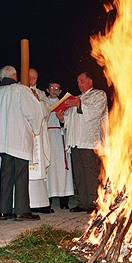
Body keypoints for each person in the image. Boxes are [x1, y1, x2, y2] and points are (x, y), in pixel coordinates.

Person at [0, 65, 44, 221]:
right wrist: (35, 129)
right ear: (15, 75)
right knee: (20, 174)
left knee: (6, 174)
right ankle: (22, 210)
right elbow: (33, 111)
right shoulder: (20, 90)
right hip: (18, 138)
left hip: (2, 140)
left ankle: (4, 210)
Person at [57, 72, 108, 213]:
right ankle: (82, 202)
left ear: (90, 81)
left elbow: (95, 113)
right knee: (79, 173)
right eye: (78, 82)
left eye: (82, 81)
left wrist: (79, 104)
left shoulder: (99, 95)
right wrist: (62, 118)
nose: (79, 84)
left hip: (89, 141)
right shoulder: (76, 98)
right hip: (76, 141)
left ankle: (94, 203)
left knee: (91, 173)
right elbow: (72, 120)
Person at [27, 68, 53, 214]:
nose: (32, 81)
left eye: (35, 78)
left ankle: (42, 203)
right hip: (26, 134)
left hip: (38, 135)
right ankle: (26, 203)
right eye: (29, 77)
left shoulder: (41, 93)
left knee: (40, 167)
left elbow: (47, 110)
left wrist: (38, 102)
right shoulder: (19, 90)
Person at [46, 81, 74, 209]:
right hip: (48, 137)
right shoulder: (43, 103)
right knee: (49, 168)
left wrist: (62, 119)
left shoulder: (65, 104)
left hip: (60, 135)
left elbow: (69, 121)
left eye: (57, 88)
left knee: (62, 168)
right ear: (47, 90)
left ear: (61, 91)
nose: (54, 90)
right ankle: (48, 199)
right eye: (52, 88)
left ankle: (64, 200)